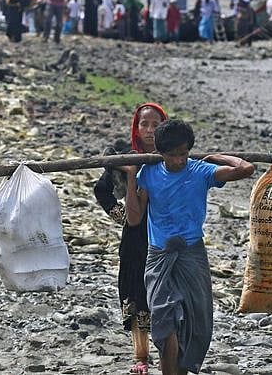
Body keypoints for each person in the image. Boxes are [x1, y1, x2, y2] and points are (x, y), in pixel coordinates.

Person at [132, 119, 254, 375]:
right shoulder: (149, 174)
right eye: (173, 155)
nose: (179, 160)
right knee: (165, 326)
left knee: (192, 320)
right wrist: (132, 174)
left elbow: (246, 168)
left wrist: (217, 157)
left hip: (192, 254)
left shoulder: (201, 171)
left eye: (184, 154)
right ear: (160, 153)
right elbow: (134, 218)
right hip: (158, 256)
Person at [94, 103, 168, 375]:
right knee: (137, 290)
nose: (149, 130)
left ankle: (169, 352)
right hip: (136, 236)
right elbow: (101, 190)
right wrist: (121, 216)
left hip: (167, 233)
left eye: (156, 125)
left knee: (166, 290)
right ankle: (141, 356)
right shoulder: (126, 159)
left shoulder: (173, 157)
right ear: (136, 128)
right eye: (144, 124)